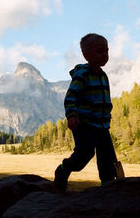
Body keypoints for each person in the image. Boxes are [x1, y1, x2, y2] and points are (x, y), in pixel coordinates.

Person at [53, 33, 117, 193]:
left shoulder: (103, 75)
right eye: (100, 51)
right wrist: (72, 115)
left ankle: (107, 186)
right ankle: (63, 168)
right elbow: (70, 97)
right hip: (84, 124)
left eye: (107, 51)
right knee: (84, 154)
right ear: (86, 55)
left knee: (107, 156)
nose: (105, 55)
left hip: (102, 125)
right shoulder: (82, 74)